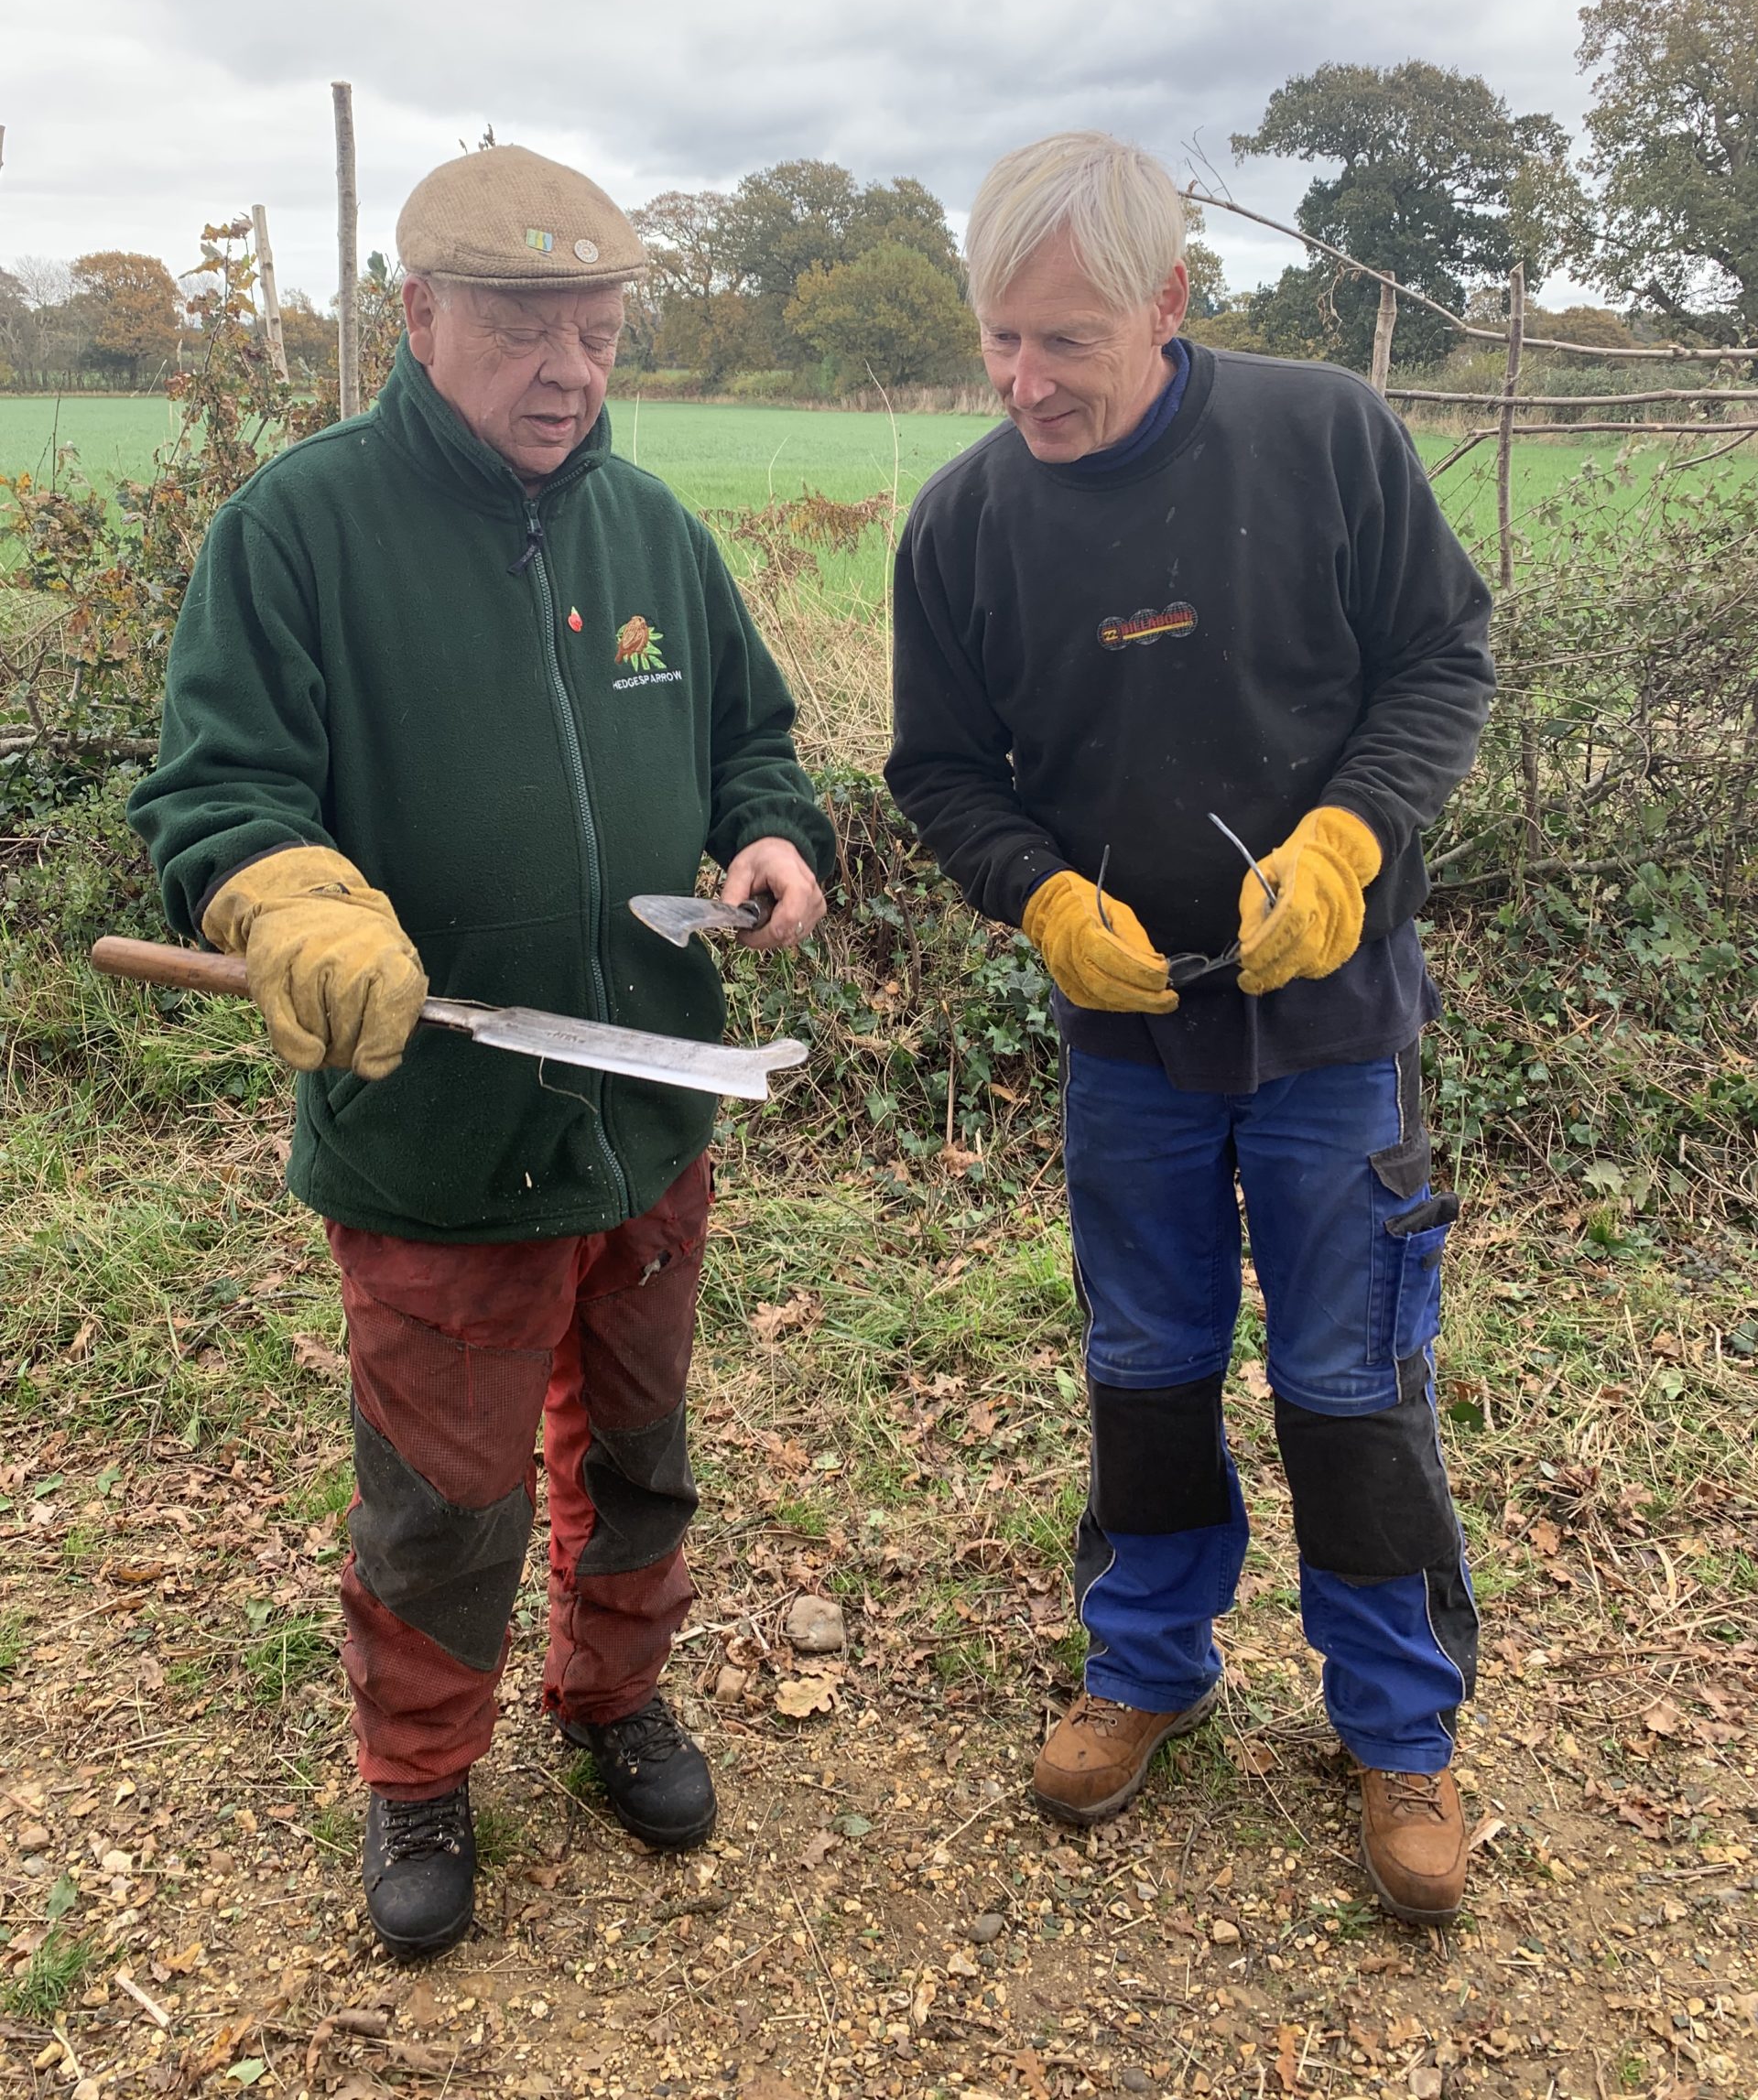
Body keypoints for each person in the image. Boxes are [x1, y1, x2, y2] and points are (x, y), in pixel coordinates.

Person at [129, 143, 834, 1958]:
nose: (570, 373)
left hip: (652, 1107)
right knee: (442, 1496)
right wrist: (290, 894)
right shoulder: (300, 530)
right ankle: (420, 1770)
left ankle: (614, 1697)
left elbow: (753, 738)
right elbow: (217, 791)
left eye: (598, 334)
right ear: (420, 311)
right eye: (528, 330)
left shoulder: (649, 530)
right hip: (439, 1125)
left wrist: (773, 838)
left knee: (644, 1450)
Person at [885, 131, 1495, 1927]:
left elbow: (1441, 661)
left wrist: (1352, 835)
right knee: (1146, 1362)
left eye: (1065, 339)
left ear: (1168, 301)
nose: (1024, 381)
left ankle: (1399, 1727)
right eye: (1000, 339)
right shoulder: (967, 522)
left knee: (1351, 1378)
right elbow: (941, 768)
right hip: (1128, 1040)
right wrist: (1038, 898)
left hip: (1334, 1029)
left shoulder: (1325, 438)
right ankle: (1146, 1664)